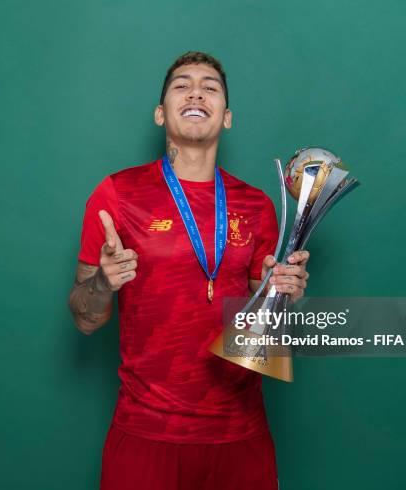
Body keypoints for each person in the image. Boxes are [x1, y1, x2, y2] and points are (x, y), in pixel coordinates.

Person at [69, 51, 310, 490]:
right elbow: (85, 320)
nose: (196, 91)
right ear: (161, 114)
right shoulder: (116, 194)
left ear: (227, 117)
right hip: (146, 434)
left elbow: (271, 338)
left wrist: (287, 297)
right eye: (181, 85)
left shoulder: (256, 205)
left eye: (210, 87)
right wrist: (103, 282)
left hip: (241, 436)